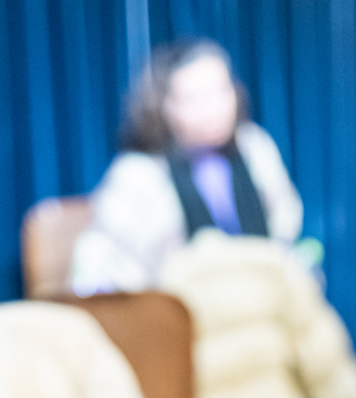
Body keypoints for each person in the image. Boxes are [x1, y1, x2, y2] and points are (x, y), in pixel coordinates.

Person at [72, 40, 303, 293]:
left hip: (260, 294)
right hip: (182, 310)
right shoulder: (138, 174)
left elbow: (284, 217)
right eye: (195, 99)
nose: (213, 108)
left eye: (221, 91)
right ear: (164, 106)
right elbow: (103, 262)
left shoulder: (254, 146)